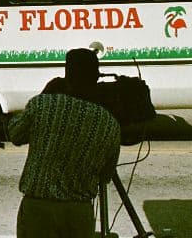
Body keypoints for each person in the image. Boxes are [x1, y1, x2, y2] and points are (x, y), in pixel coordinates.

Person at [6, 48, 121, 237]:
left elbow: (15, 134)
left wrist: (45, 94)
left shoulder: (43, 105)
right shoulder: (109, 123)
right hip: (79, 213)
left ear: (67, 75)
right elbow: (106, 174)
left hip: (38, 208)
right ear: (96, 78)